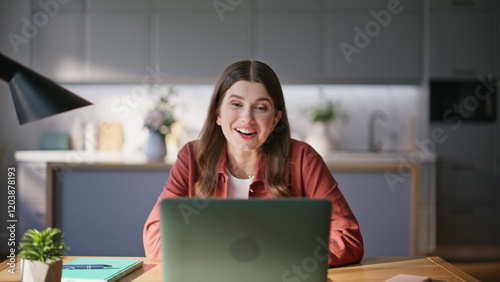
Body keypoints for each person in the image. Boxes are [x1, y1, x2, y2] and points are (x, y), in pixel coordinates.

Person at [143, 60, 364, 267]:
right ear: (217, 113)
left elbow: (348, 237)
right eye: (236, 104)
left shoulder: (303, 158)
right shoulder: (192, 156)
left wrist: (278, 260)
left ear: (275, 119)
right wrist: (226, 259)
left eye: (260, 107)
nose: (247, 118)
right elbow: (155, 236)